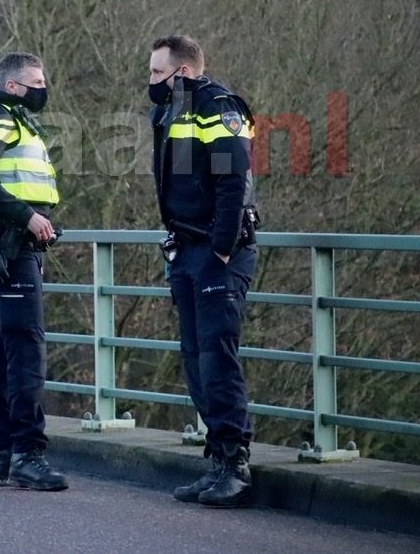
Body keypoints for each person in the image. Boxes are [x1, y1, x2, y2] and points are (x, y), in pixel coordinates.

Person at [148, 34, 259, 507]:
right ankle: (216, 459)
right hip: (186, 246)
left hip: (216, 249)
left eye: (157, 72)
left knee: (216, 355)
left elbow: (233, 181)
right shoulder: (170, 109)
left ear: (184, 72)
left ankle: (235, 463)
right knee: (194, 357)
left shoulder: (217, 106)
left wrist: (222, 248)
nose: (150, 80)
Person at [0, 52, 67, 492]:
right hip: (11, 242)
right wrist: (27, 217)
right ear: (12, 86)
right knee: (25, 351)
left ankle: (4, 456)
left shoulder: (21, 123)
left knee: (4, 352)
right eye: (35, 81)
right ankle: (27, 454)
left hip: (17, 244)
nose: (43, 88)